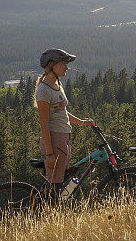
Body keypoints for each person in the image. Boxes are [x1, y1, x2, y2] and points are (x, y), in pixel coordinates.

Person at [34, 48, 95, 197]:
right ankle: (50, 215)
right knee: (55, 186)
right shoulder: (44, 90)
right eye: (63, 64)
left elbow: (61, 111)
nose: (67, 67)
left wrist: (81, 122)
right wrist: (49, 154)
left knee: (59, 179)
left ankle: (50, 207)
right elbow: (44, 124)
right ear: (52, 65)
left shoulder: (57, 85)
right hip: (55, 140)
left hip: (63, 138)